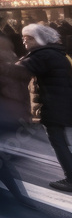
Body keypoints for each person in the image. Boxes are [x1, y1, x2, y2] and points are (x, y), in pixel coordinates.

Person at [17, 24, 72, 192]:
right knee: (60, 141)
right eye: (23, 38)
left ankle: (71, 179)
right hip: (61, 103)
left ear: (39, 39)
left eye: (28, 38)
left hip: (53, 105)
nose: (24, 41)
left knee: (58, 142)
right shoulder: (55, 53)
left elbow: (16, 70)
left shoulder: (43, 55)